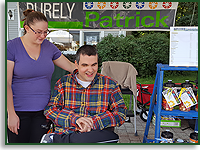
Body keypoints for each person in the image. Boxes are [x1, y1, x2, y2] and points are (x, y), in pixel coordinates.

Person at [7, 9, 75, 143]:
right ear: (26, 28)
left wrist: (92, 71)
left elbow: (72, 67)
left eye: (46, 32)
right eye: (38, 32)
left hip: (44, 112)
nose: (43, 36)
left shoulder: (49, 47)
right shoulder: (11, 47)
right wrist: (11, 114)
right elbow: (6, 83)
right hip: (18, 112)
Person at [40, 45, 127, 143]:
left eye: (94, 65)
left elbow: (121, 113)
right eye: (85, 65)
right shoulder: (63, 83)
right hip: (68, 132)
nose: (90, 70)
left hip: (95, 136)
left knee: (107, 137)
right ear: (76, 64)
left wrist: (93, 122)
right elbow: (50, 110)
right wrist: (76, 119)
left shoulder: (110, 84)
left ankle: (54, 139)